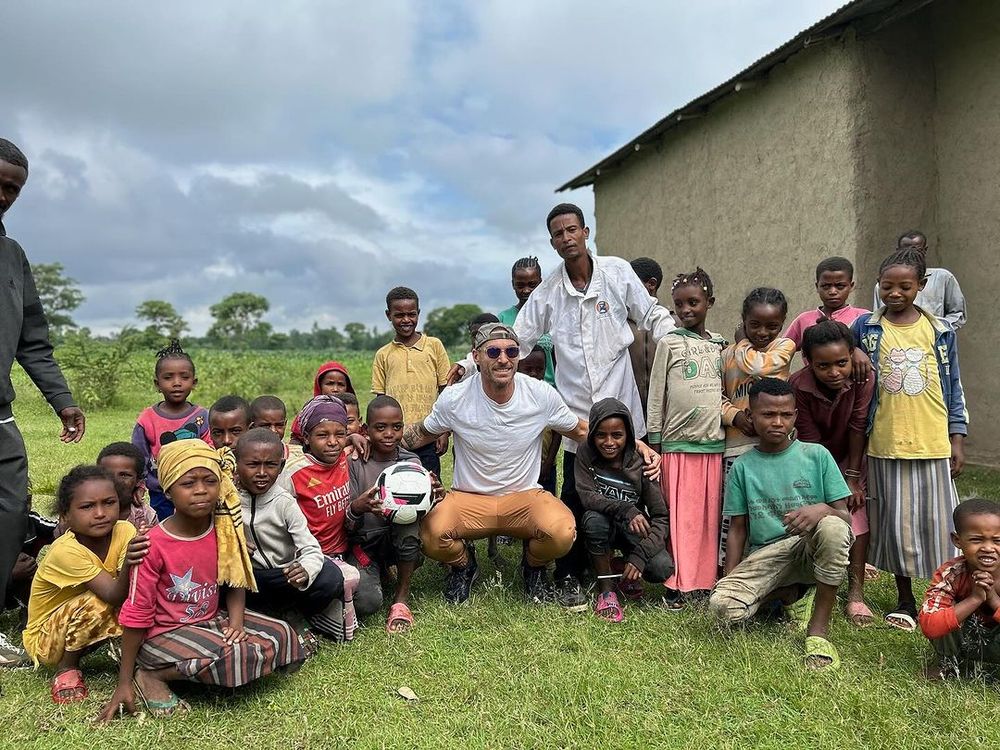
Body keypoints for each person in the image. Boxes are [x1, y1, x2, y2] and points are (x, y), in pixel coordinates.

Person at [509, 204, 674, 599]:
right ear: (552, 243)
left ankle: (634, 561)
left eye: (571, 230)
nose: (566, 238)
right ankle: (569, 572)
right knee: (573, 497)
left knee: (636, 492)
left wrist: (679, 341)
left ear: (585, 232)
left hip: (623, 417)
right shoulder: (549, 291)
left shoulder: (617, 272)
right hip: (579, 423)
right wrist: (470, 364)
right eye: (558, 234)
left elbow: (651, 315)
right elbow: (516, 340)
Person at [98, 440, 305, 721]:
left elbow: (235, 580)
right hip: (161, 634)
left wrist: (236, 623)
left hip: (209, 619)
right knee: (233, 656)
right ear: (168, 491)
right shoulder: (151, 544)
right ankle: (149, 675)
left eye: (210, 481)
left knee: (283, 633)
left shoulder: (223, 529)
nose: (200, 491)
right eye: (188, 484)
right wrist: (122, 682)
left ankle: (235, 657)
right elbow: (136, 614)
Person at [403, 323, 582, 608]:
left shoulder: (540, 395)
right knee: (431, 535)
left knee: (562, 532)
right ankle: (463, 565)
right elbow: (419, 434)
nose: (503, 359)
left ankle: (533, 566)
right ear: (476, 356)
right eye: (494, 351)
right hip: (469, 499)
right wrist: (368, 441)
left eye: (511, 351)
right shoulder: (454, 398)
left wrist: (637, 445)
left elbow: (582, 432)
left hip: (524, 497)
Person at [0, 137, 86, 667]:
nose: (5, 197)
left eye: (13, 190)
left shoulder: (12, 255)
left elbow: (33, 339)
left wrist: (63, 399)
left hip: (1, 414)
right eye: (0, 185)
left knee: (11, 510)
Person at [853, 247, 968, 631]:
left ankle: (946, 593)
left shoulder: (939, 331)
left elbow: (953, 386)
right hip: (885, 443)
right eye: (887, 286)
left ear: (921, 286)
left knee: (940, 526)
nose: (895, 293)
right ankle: (904, 599)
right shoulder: (867, 329)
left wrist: (957, 437)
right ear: (878, 287)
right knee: (896, 525)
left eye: (905, 286)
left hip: (932, 441)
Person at [709, 378, 853, 671]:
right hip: (768, 555)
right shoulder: (742, 466)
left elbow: (847, 519)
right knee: (723, 607)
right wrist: (729, 578)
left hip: (808, 549)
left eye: (786, 415)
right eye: (767, 414)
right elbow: (738, 529)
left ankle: (818, 628)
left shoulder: (816, 456)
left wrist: (822, 509)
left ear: (795, 417)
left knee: (833, 527)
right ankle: (793, 595)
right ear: (750, 416)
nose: (777, 422)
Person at [22, 466, 149, 703]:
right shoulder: (65, 551)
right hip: (47, 638)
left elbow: (132, 588)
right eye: (87, 506)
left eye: (109, 502)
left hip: (87, 620)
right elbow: (113, 594)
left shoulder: (125, 530)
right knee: (99, 601)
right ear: (65, 515)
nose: (100, 513)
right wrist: (132, 560)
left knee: (138, 597)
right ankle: (66, 668)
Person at [647, 268, 726, 606]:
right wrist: (655, 443)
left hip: (713, 445)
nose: (686, 310)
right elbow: (655, 395)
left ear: (709, 302)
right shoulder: (669, 342)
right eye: (679, 304)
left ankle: (704, 581)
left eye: (694, 302)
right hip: (677, 446)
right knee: (679, 519)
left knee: (708, 518)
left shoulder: (721, 345)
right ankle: (675, 584)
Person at [789, 321, 875, 627]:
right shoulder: (798, 386)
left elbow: (858, 424)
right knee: (816, 514)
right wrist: (830, 483)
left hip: (851, 455)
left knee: (856, 512)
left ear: (853, 355)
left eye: (842, 363)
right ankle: (808, 583)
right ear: (808, 362)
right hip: (813, 456)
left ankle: (856, 591)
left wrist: (852, 478)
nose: (835, 372)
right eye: (824, 366)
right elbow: (810, 440)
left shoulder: (864, 378)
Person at [236, 429, 355, 643]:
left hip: (284, 576)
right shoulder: (227, 501)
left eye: (271, 465)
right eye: (253, 464)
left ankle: (292, 613)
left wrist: (306, 569)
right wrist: (232, 544)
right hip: (249, 578)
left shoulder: (284, 502)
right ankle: (274, 617)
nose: (262, 472)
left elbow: (310, 548)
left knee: (331, 577)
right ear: (237, 464)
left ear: (281, 467)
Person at [277, 396, 379, 618]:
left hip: (345, 550)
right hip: (310, 555)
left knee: (369, 602)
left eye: (339, 434)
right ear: (306, 437)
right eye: (322, 435)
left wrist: (353, 437)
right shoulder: (294, 473)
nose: (333, 442)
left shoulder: (346, 456)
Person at [346, 395, 439, 633]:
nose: (389, 434)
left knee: (408, 525)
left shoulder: (411, 461)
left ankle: (401, 598)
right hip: (364, 545)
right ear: (366, 429)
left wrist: (434, 496)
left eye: (397, 427)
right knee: (367, 603)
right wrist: (358, 507)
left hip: (397, 538)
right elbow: (346, 524)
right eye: (380, 427)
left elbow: (422, 512)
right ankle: (378, 570)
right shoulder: (354, 462)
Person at [578, 398, 673, 622]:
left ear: (629, 435)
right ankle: (606, 588)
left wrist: (641, 556)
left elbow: (660, 516)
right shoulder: (585, 453)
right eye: (601, 435)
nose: (609, 442)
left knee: (661, 567)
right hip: (604, 523)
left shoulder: (642, 460)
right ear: (592, 435)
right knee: (593, 520)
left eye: (617, 435)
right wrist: (626, 508)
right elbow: (587, 496)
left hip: (633, 528)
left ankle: (624, 568)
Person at [719, 288, 796, 564]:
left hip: (773, 448)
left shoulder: (783, 347)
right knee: (734, 514)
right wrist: (735, 417)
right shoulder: (727, 356)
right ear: (743, 320)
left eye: (772, 326)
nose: (763, 332)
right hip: (737, 447)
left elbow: (758, 367)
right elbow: (718, 397)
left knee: (769, 511)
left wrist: (742, 343)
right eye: (755, 325)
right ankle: (730, 572)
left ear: (783, 323)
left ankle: (769, 567)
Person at [372, 286, 451, 476]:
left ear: (419, 314)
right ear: (388, 315)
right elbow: (380, 401)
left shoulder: (434, 346)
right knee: (394, 488)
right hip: (394, 439)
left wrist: (444, 431)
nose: (406, 320)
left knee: (430, 488)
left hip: (429, 434)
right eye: (399, 315)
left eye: (411, 314)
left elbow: (447, 392)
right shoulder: (383, 354)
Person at [919, 498, 1000, 680]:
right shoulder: (951, 574)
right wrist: (974, 599)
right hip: (965, 641)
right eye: (976, 540)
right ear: (957, 540)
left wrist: (993, 599)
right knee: (943, 611)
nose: (988, 548)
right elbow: (929, 625)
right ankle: (948, 664)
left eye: (998, 540)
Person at [132, 340, 211, 520]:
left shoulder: (203, 417)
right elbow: (139, 456)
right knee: (165, 530)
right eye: (168, 377)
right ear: (157, 383)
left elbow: (210, 453)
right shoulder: (147, 419)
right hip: (160, 492)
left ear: (194, 382)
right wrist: (139, 485)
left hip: (196, 490)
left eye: (184, 377)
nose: (177, 383)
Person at [872, 230, 967, 330]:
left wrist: (937, 330)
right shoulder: (882, 286)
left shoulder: (943, 277)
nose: (911, 255)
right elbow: (877, 318)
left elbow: (957, 314)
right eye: (905, 251)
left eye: (905, 287)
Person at [784, 257, 869, 352]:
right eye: (826, 286)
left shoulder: (863, 317)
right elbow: (782, 349)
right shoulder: (803, 320)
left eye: (840, 286)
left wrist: (857, 351)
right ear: (817, 287)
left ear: (851, 286)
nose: (832, 291)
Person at [495, 257, 555, 386]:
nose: (526, 290)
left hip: (552, 389)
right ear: (513, 284)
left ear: (541, 283)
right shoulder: (503, 319)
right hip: (517, 391)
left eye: (532, 285)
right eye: (520, 285)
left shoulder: (553, 316)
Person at [517, 346, 560, 495]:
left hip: (545, 466)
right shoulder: (513, 398)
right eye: (528, 369)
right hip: (521, 468)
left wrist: (548, 464)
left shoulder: (550, 396)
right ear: (517, 368)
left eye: (539, 369)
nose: (534, 374)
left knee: (548, 502)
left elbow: (557, 433)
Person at [628, 257, 664, 422]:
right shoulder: (620, 326)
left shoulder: (672, 324)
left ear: (651, 284)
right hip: (630, 416)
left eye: (630, 284)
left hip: (666, 417)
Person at [290, 361, 355, 446]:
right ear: (320, 386)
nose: (335, 389)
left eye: (341, 384)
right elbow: (296, 439)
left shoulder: (351, 410)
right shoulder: (310, 412)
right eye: (330, 384)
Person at [97, 442, 159, 531]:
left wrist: (151, 536)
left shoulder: (146, 516)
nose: (114, 481)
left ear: (138, 481)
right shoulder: (86, 509)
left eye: (124, 475)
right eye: (107, 474)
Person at [450, 312, 500, 385]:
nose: (478, 339)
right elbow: (470, 364)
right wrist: (464, 367)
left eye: (483, 334)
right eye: (474, 335)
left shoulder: (512, 355)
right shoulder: (468, 361)